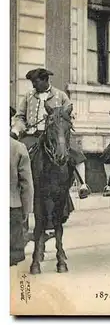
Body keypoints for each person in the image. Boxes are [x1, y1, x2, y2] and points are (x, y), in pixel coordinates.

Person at [10, 68, 90, 199]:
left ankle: (83, 185)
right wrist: (16, 130)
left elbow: (69, 115)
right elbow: (19, 117)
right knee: (17, 152)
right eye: (32, 82)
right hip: (33, 134)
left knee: (75, 153)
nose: (34, 85)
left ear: (45, 80)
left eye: (36, 82)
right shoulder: (28, 96)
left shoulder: (61, 95)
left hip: (55, 134)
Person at [10, 106, 34, 266]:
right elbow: (26, 184)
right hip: (12, 207)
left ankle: (82, 183)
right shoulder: (18, 148)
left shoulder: (59, 96)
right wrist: (27, 210)